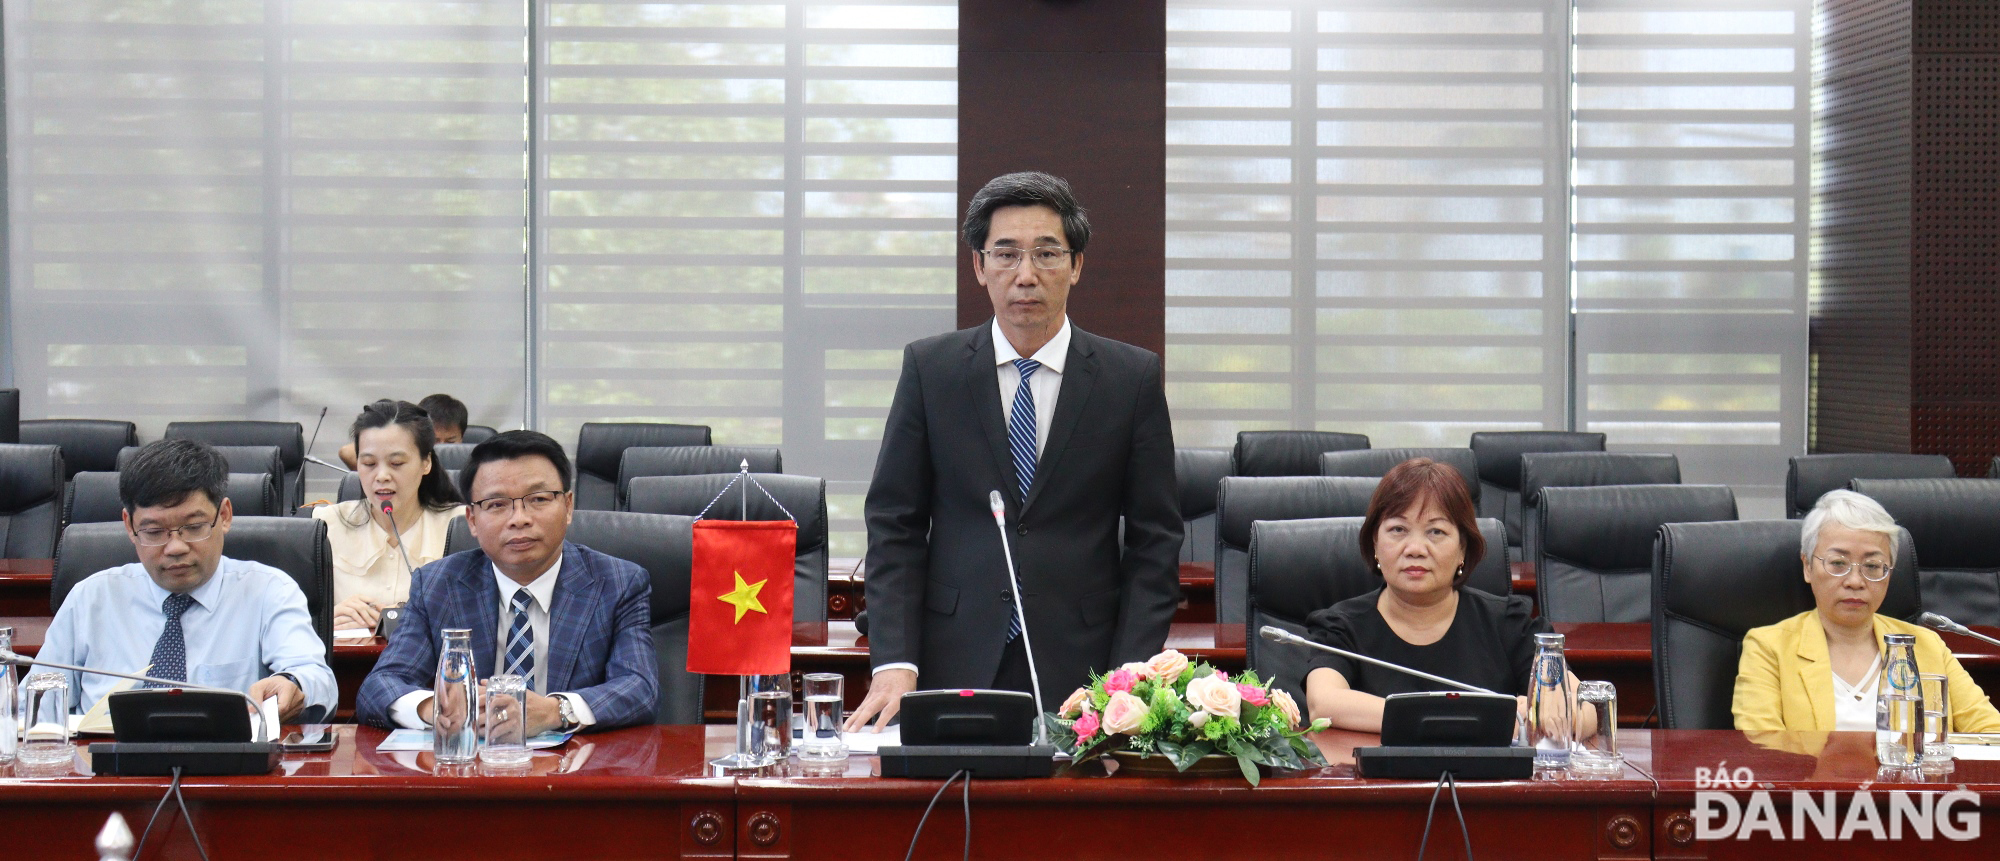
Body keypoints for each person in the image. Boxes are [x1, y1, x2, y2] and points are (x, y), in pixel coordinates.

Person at [845, 171, 1183, 731]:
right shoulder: (933, 370)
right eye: (1006, 254)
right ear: (979, 267)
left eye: (1047, 253)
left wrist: (1129, 672)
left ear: (1076, 265)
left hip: (1086, 667)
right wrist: (896, 660)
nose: (1026, 275)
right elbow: (894, 523)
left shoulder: (1131, 378)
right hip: (950, 655)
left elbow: (1155, 538)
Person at [356, 430, 657, 734]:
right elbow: (378, 687)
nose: (519, 518)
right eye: (498, 504)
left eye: (538, 499)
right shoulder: (438, 585)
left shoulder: (617, 583)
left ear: (567, 507)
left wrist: (556, 711)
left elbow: (639, 688)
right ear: (472, 519)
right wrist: (437, 708)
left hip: (576, 770)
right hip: (471, 771)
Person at [35, 439, 335, 720]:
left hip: (224, 769)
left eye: (193, 527)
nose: (176, 547)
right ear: (129, 526)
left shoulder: (269, 591)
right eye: (154, 532)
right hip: (105, 769)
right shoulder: (90, 599)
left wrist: (292, 682)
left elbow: (317, 678)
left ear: (225, 515)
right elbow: (36, 707)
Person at [1302, 458, 1583, 733]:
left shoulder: (1510, 624)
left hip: (1484, 780)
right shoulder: (1340, 626)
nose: (1415, 548)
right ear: (1374, 543)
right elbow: (1323, 703)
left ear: (1463, 549)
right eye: (1398, 530)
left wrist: (1552, 713)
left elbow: (1584, 710)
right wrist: (1481, 719)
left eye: (1436, 531)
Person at [1734, 489, 2000, 732]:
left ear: (1890, 573)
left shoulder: (1925, 645)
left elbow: (1991, 732)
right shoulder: (1769, 648)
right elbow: (1761, 750)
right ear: (1807, 567)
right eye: (1838, 563)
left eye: (1872, 567)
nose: (1855, 581)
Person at [315, 399, 465, 632]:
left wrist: (410, 615)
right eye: (368, 463)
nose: (381, 475)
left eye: (396, 463)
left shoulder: (461, 525)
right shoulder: (325, 525)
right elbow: (290, 625)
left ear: (426, 463)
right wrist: (324, 621)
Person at [339, 393, 467, 470]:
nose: (442, 448)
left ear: (462, 437)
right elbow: (347, 452)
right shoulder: (408, 458)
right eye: (435, 441)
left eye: (451, 441)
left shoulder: (471, 462)